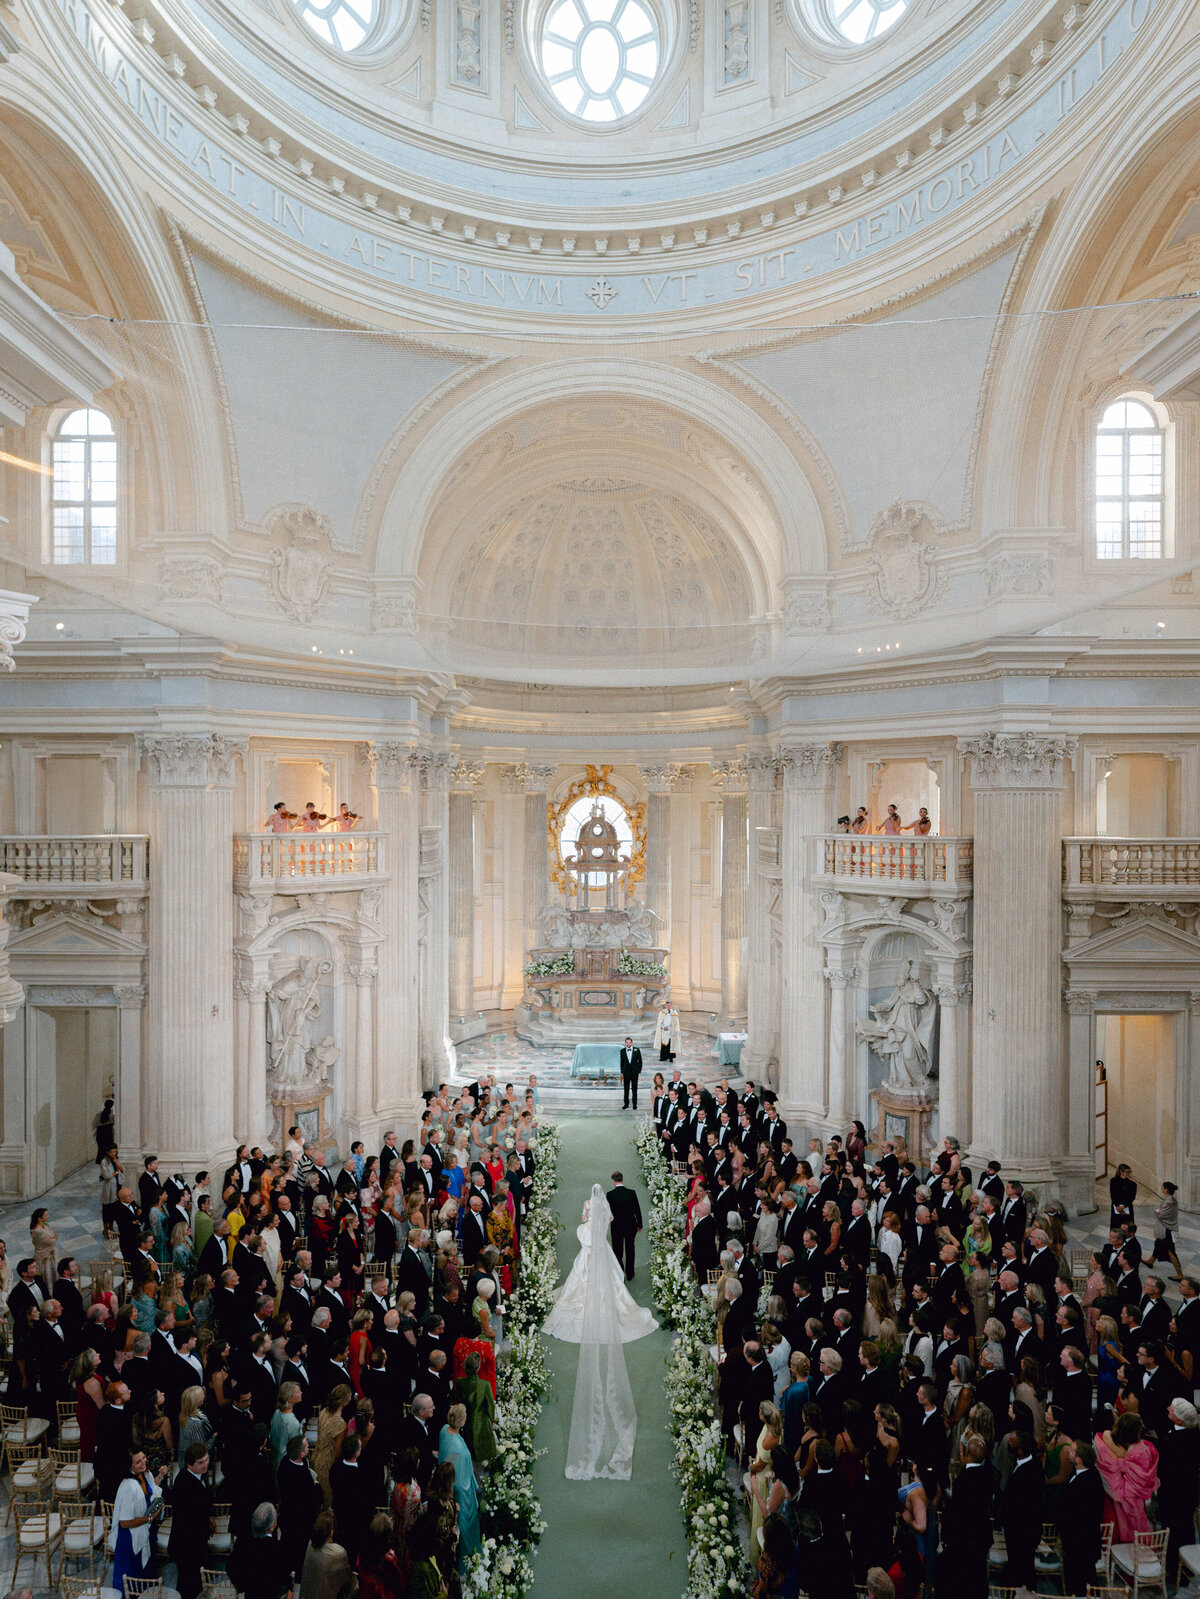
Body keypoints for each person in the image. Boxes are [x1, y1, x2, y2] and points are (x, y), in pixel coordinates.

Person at [543, 1182, 657, 1342]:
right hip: (599, 1236)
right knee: (606, 1263)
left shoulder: (587, 1204)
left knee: (583, 1263)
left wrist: (589, 1220)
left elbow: (583, 1219)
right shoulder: (604, 1204)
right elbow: (610, 1218)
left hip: (590, 1232)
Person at [109, 1445, 167, 1594]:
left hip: (145, 1529)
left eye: (143, 1458)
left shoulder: (144, 1473)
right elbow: (124, 1522)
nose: (143, 1463)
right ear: (130, 1466)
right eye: (138, 1462)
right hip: (129, 1539)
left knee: (146, 1571)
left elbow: (151, 1488)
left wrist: (160, 1476)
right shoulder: (128, 1487)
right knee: (132, 1578)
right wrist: (149, 1518)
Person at [1095, 1411, 1159, 1540]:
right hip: (1135, 1497)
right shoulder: (1145, 1448)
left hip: (1120, 1494)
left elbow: (1115, 1459)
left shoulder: (1105, 1444)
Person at [438, 1403, 481, 1572]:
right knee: (466, 1522)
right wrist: (466, 1498)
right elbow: (455, 1477)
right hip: (462, 1492)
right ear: (462, 1422)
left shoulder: (444, 1429)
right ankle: (467, 1558)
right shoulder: (456, 1448)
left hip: (461, 1483)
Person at [169, 1439, 214, 1599]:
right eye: (201, 1462)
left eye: (207, 1459)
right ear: (189, 1465)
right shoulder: (184, 1485)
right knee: (189, 1584)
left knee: (196, 1581)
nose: (206, 1464)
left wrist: (207, 1518)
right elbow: (189, 1521)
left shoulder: (198, 1474)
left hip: (196, 1541)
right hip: (187, 1545)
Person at [227, 1501, 294, 1599]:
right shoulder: (278, 1549)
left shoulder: (242, 1545)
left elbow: (230, 1566)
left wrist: (242, 1586)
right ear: (271, 1527)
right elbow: (285, 1575)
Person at [606, 1170, 644, 1282]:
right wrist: (639, 1224)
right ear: (622, 1179)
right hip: (630, 1226)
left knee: (617, 1250)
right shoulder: (631, 1193)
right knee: (630, 1249)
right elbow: (637, 1210)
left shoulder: (610, 1195)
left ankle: (619, 1272)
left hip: (616, 1227)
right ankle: (630, 1273)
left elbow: (608, 1213)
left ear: (613, 1181)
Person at [1152, 1181, 1184, 1280]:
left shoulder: (1169, 1202)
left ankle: (1180, 1274)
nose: (1161, 1188)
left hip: (1167, 1230)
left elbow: (1161, 1215)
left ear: (1165, 1189)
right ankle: (1150, 1261)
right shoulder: (1171, 1200)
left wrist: (1156, 1211)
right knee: (1158, 1244)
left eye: (1162, 1187)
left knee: (1171, 1252)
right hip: (1167, 1229)